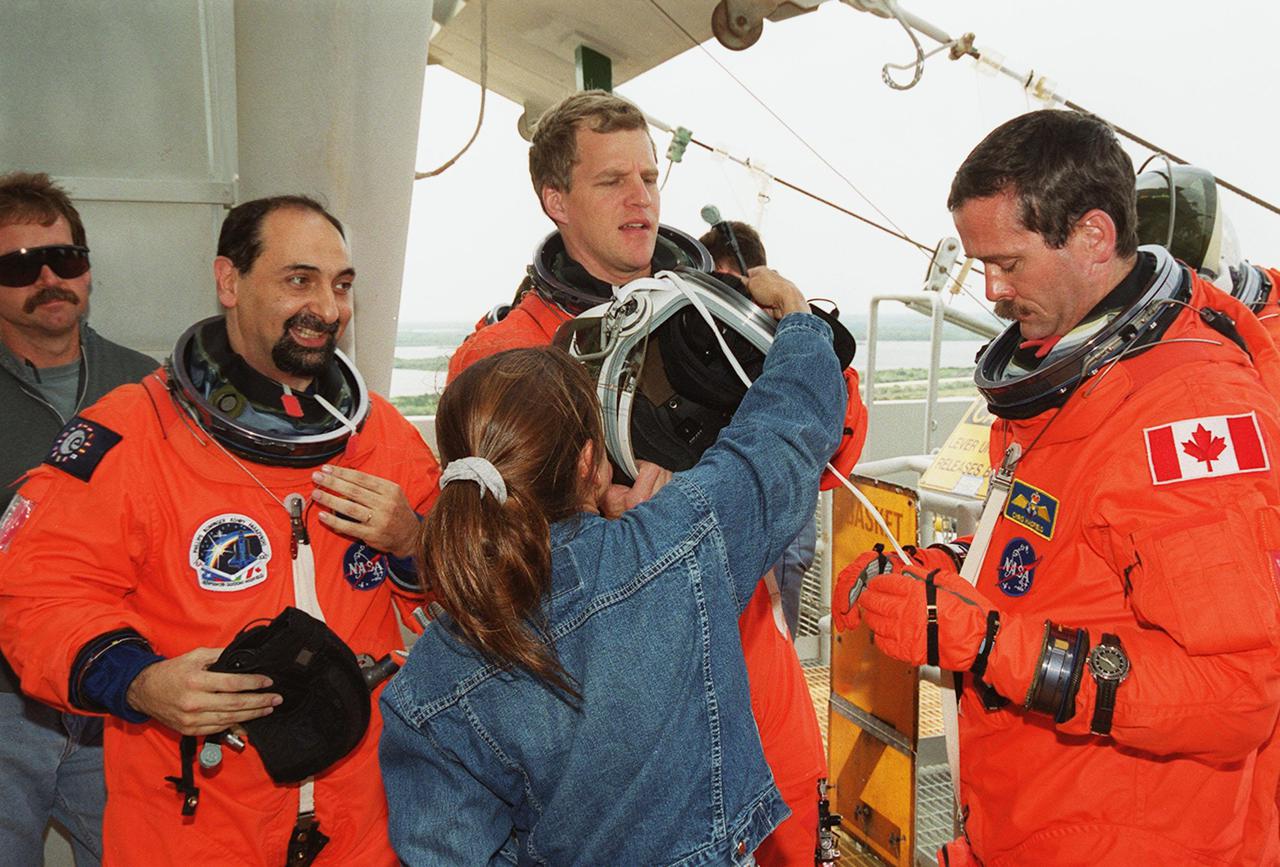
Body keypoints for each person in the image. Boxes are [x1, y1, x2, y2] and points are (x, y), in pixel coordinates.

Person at [834, 109, 1280, 865]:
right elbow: (1071, 546)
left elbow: (1234, 691)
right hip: (1032, 818)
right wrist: (948, 568)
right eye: (980, 264)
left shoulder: (1185, 413)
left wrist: (988, 641)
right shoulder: (1078, 376)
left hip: (1133, 837)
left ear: (1095, 237)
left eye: (1007, 262)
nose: (991, 289)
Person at [446, 90, 834, 863]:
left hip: (757, 691)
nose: (642, 198)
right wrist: (613, 529)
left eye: (651, 178)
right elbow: (488, 568)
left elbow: (832, 451)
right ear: (555, 199)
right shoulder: (501, 360)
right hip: (619, 731)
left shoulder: (721, 322)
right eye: (612, 180)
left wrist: (792, 336)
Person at [0, 195, 441, 865]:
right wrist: (140, 680)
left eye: (341, 283)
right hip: (194, 817)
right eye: (300, 279)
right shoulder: (132, 434)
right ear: (229, 281)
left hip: (357, 818)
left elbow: (460, 594)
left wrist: (413, 544)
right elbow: (36, 590)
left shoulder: (380, 436)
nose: (327, 305)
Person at [380, 268, 845, 864]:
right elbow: (784, 437)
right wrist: (800, 324)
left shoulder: (427, 684)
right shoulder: (683, 547)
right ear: (589, 464)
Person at [0, 171, 157, 866]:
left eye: (65, 259)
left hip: (122, 703)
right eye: (20, 265)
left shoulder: (151, 386)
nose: (49, 278)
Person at [699, 220, 814, 642]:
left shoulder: (787, 340)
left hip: (779, 529)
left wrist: (792, 317)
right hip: (721, 518)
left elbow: (837, 432)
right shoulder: (695, 334)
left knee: (774, 646)